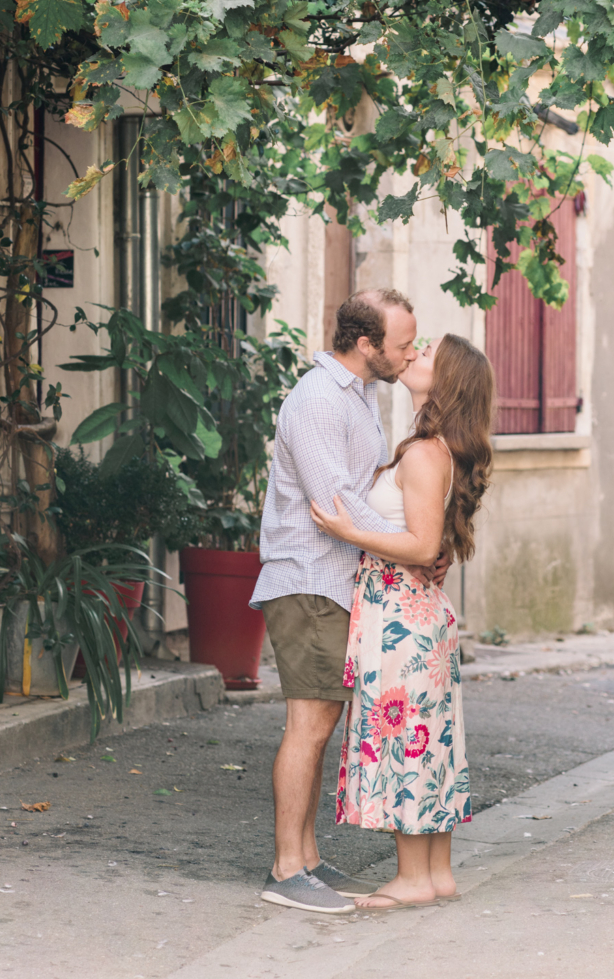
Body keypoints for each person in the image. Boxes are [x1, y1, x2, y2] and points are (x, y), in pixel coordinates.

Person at [251, 288, 441, 914]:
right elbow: (337, 503)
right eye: (403, 344)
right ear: (367, 345)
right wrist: (410, 547)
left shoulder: (358, 395)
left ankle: (307, 858)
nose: (410, 352)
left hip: (339, 579)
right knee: (308, 722)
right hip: (309, 578)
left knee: (324, 719)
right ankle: (286, 869)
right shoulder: (314, 401)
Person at [310, 333, 494, 910]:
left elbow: (419, 545)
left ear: (448, 383)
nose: (414, 355)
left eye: (428, 355)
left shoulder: (422, 454)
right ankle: (436, 873)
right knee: (432, 741)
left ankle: (413, 879)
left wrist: (348, 533)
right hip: (418, 615)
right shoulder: (435, 448)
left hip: (400, 617)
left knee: (405, 741)